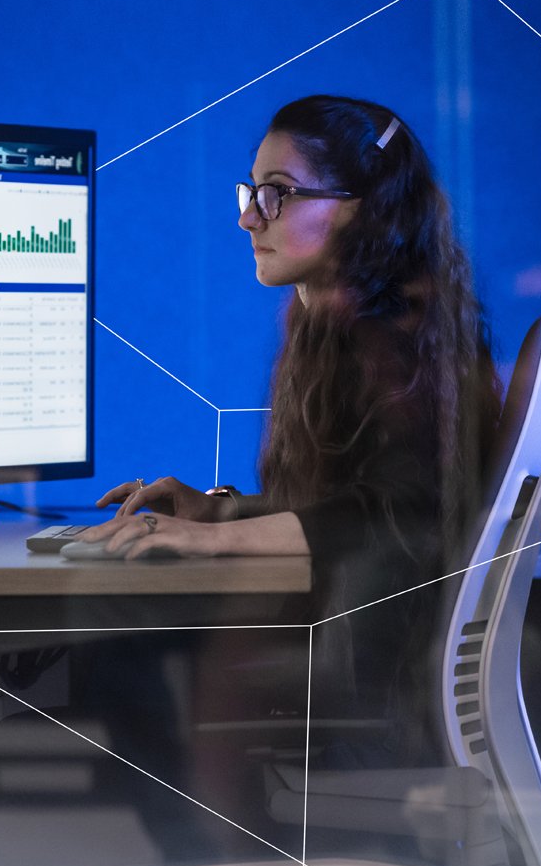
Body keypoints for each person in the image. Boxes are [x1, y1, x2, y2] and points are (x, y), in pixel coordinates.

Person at [74, 93, 503, 764]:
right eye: (251, 192)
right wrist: (219, 513)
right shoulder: (342, 323)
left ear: (362, 210)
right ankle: (204, 857)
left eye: (277, 194)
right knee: (105, 646)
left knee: (98, 650)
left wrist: (210, 541)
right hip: (349, 634)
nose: (248, 218)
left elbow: (394, 514)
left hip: (371, 672)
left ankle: (205, 858)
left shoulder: (396, 342)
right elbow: (347, 505)